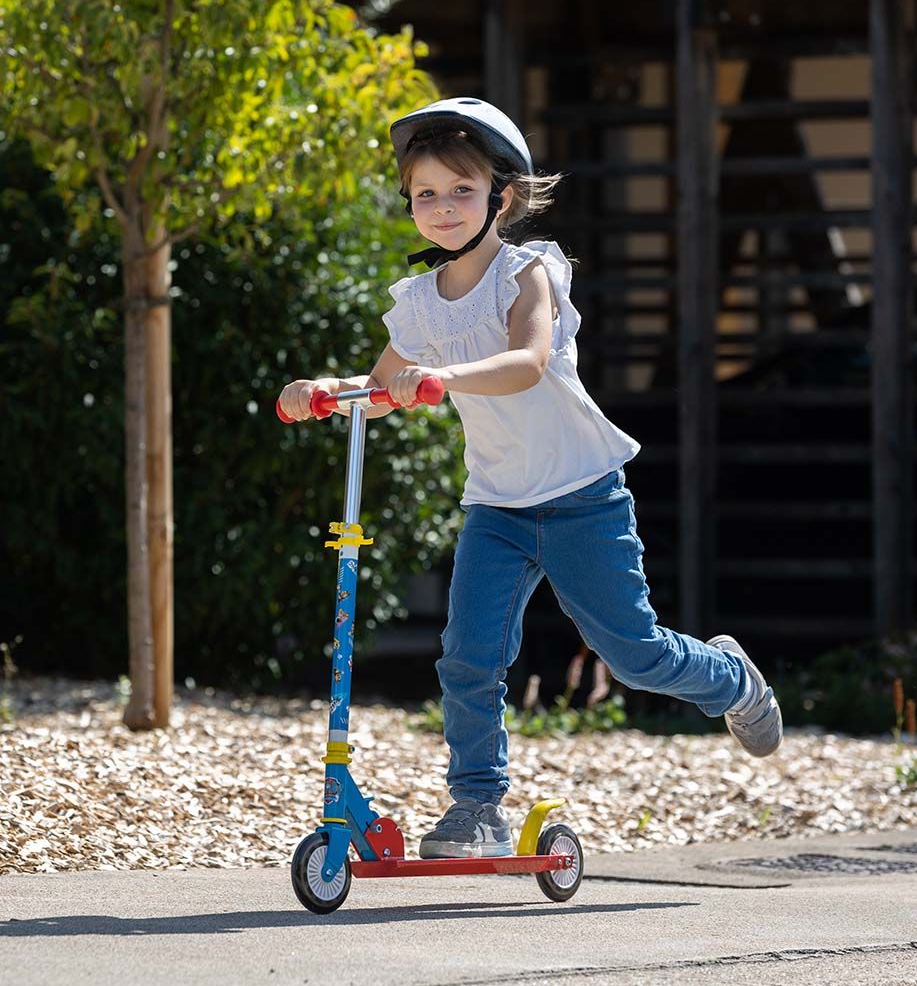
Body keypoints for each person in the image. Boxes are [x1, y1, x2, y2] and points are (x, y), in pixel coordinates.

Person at [278, 97, 782, 861]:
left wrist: (440, 377)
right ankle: (476, 805)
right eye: (425, 195)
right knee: (467, 657)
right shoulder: (416, 303)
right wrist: (324, 391)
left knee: (635, 655)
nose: (442, 207)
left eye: (461, 190)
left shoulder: (528, 272)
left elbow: (528, 362)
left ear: (501, 198)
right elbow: (384, 387)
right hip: (498, 507)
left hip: (583, 496)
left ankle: (732, 679)